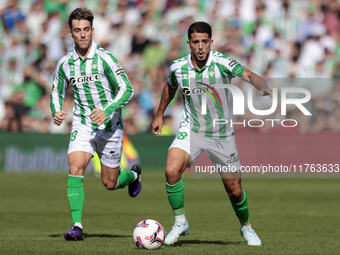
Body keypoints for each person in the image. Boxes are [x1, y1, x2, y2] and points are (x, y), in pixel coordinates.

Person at [151, 21, 272, 246]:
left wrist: (261, 85)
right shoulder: (178, 67)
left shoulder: (222, 63)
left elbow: (247, 74)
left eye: (204, 42)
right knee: (171, 170)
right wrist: (160, 114)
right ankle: (180, 222)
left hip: (221, 134)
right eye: (196, 42)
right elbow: (170, 86)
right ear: (188, 43)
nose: (200, 46)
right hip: (192, 129)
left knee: (234, 190)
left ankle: (246, 227)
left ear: (211, 43)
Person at [50, 7, 141, 241]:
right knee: (75, 166)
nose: (82, 34)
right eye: (77, 30)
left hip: (110, 126)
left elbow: (127, 89)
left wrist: (107, 110)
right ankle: (77, 226)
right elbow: (56, 90)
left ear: (93, 30)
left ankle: (132, 176)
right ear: (70, 33)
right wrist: (56, 111)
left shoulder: (105, 58)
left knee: (110, 183)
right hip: (82, 123)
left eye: (86, 30)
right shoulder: (65, 64)